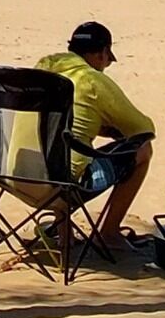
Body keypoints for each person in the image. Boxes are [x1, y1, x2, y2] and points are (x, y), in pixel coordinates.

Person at [38, 21, 156, 248]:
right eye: (108, 59)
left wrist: (95, 125)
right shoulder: (91, 80)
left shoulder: (44, 67)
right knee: (143, 149)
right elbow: (143, 130)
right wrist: (110, 128)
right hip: (66, 185)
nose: (106, 65)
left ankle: (64, 234)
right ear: (102, 53)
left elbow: (56, 122)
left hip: (19, 177)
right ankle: (110, 232)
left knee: (59, 145)